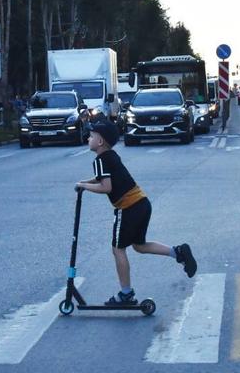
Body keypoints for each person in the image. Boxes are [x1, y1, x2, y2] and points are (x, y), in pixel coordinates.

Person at [75, 118, 198, 305]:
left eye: (91, 136)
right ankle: (178, 252)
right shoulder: (111, 156)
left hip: (128, 207)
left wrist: (83, 185)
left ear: (100, 142)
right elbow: (105, 177)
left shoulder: (99, 160)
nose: (88, 139)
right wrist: (86, 182)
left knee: (118, 249)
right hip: (141, 203)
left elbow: (106, 187)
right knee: (139, 246)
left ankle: (126, 293)